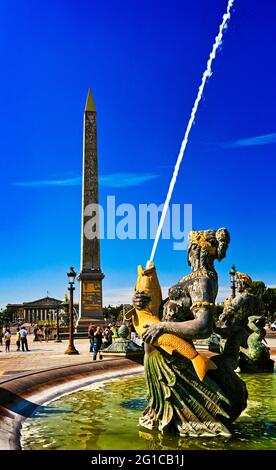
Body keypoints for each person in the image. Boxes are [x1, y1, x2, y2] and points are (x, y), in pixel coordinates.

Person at [132, 228, 248, 436]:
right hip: (163, 350)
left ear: (196, 249)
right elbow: (170, 310)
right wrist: (141, 303)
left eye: (189, 247)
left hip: (175, 357)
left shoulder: (202, 280)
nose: (187, 251)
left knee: (180, 414)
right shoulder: (195, 278)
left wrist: (161, 326)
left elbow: (203, 326)